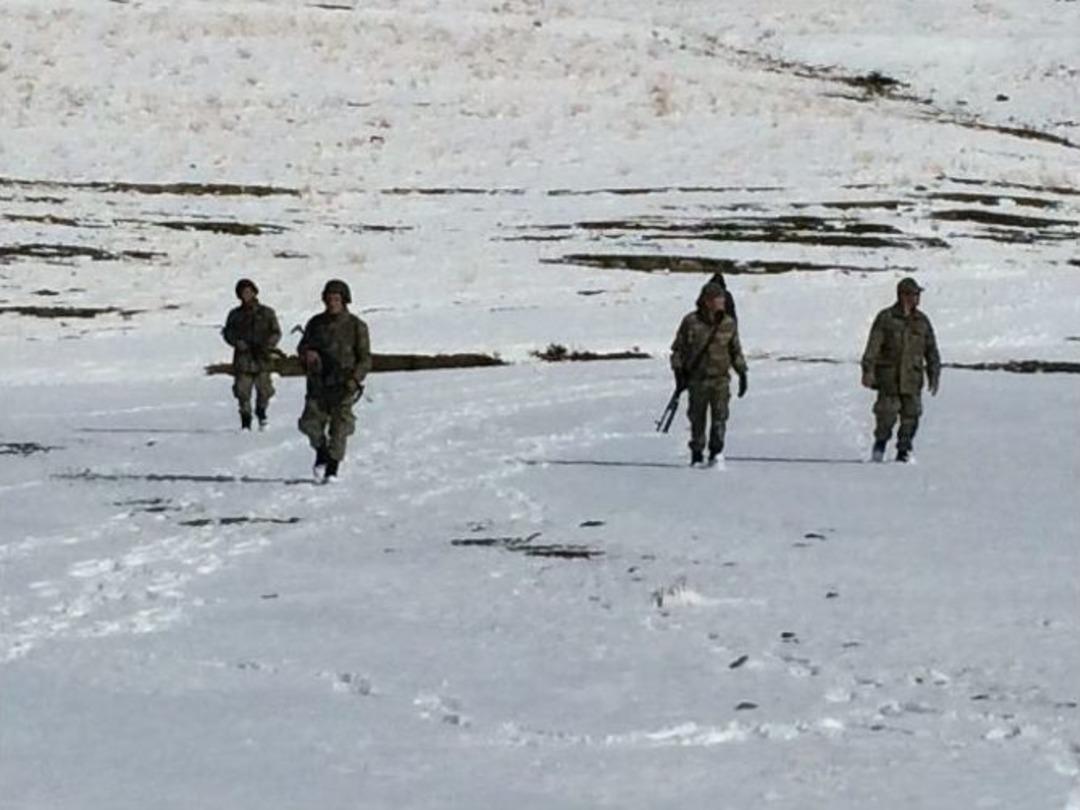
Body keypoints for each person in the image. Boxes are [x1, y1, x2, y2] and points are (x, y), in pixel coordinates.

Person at [296, 279, 372, 481]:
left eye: (337, 299)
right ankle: (321, 451)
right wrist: (308, 354)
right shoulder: (315, 324)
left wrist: (355, 379)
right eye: (329, 299)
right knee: (309, 423)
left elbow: (365, 359)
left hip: (344, 384)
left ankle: (332, 469)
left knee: (339, 428)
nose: (332, 303)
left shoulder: (357, 326)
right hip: (318, 383)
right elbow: (302, 347)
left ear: (344, 300)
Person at [860, 277, 941, 462]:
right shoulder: (886, 318)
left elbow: (931, 350)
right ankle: (879, 446)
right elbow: (873, 346)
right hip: (889, 378)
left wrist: (934, 373)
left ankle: (903, 451)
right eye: (913, 294)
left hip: (912, 379)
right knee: (886, 415)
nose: (916, 298)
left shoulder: (922, 321)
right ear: (902, 295)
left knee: (911, 417)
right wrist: (867, 370)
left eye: (918, 295)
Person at [670, 281, 748, 467]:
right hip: (698, 380)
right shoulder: (691, 322)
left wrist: (742, 373)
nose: (722, 301)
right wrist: (678, 373)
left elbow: (735, 350)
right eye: (717, 298)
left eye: (722, 297)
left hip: (720, 380)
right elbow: (677, 350)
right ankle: (697, 453)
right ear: (707, 301)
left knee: (720, 417)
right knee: (697, 419)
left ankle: (716, 452)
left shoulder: (728, 323)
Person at [222, 278, 281, 430]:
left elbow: (276, 332)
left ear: (254, 292)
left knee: (264, 390)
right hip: (243, 359)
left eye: (249, 292)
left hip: (262, 358)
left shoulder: (267, 313)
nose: (246, 295)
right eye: (243, 293)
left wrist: (268, 345)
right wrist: (237, 342)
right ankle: (246, 420)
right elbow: (228, 332)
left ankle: (261, 413)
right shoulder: (235, 314)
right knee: (242, 392)